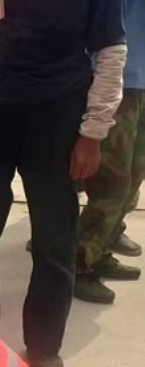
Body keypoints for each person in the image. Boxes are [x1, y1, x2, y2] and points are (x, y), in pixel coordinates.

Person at [0, 0, 127, 367]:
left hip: (58, 119)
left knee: (54, 237)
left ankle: (45, 343)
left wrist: (93, 132)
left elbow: (111, 49)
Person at [75, 0, 144, 304]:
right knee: (111, 184)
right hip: (117, 84)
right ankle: (78, 263)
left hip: (140, 84)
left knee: (134, 176)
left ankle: (99, 249)